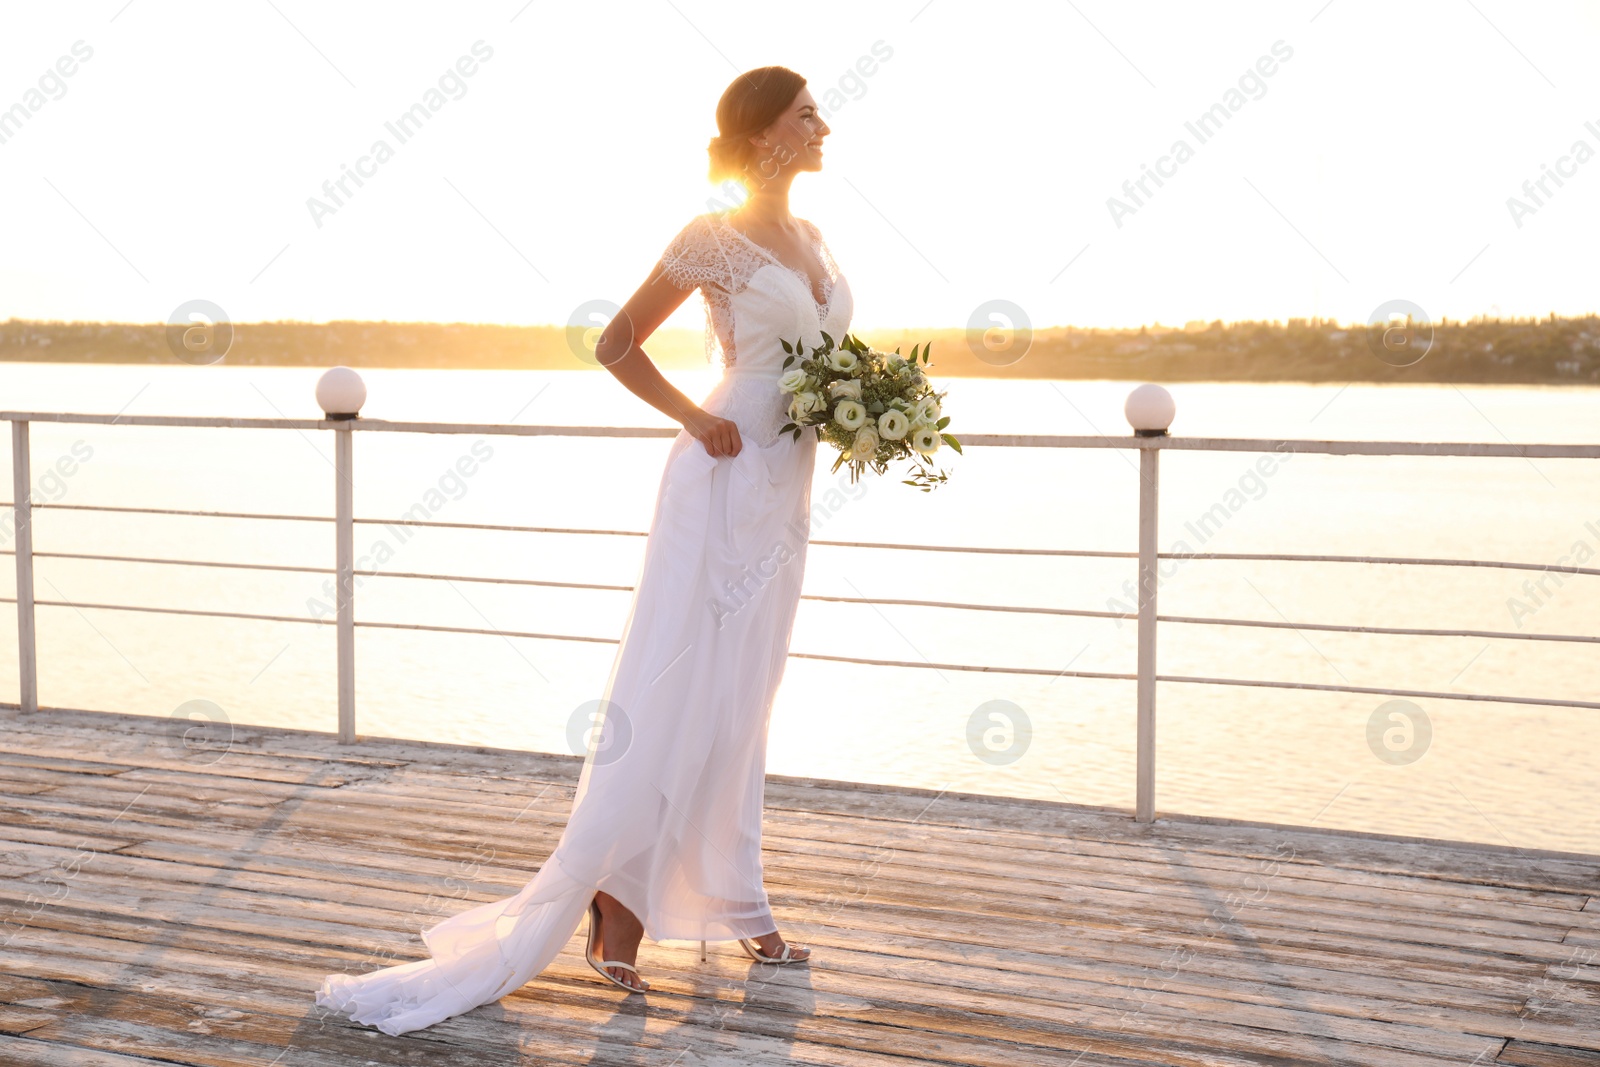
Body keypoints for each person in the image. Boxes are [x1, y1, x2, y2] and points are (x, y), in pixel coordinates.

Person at [314, 64, 851, 1036]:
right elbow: (614, 343)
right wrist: (697, 418)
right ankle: (619, 903)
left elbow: (827, 356)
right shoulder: (710, 237)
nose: (824, 124)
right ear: (765, 133)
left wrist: (867, 406)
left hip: (787, 487)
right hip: (723, 472)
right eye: (807, 112)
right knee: (679, 683)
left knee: (748, 693)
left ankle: (739, 895)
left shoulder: (812, 238)